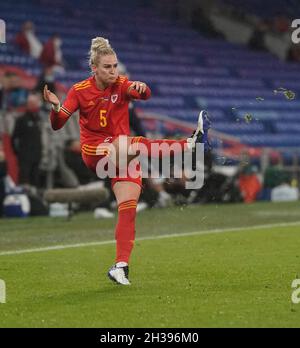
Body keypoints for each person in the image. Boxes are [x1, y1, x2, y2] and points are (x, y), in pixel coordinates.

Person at [43, 37, 211, 285]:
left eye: (115, 66)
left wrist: (141, 88)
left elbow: (143, 93)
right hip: (96, 152)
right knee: (134, 143)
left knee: (128, 207)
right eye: (107, 67)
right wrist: (56, 108)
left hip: (121, 155)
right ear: (95, 69)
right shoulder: (79, 91)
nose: (113, 71)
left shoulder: (121, 84)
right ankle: (190, 144)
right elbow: (58, 125)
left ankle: (120, 266)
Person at [12, 94, 42, 187]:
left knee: (35, 180)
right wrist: (18, 153)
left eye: (36, 103)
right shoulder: (21, 120)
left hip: (37, 155)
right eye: (32, 103)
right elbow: (14, 138)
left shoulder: (39, 119)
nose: (35, 105)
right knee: (24, 179)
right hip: (25, 156)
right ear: (28, 104)